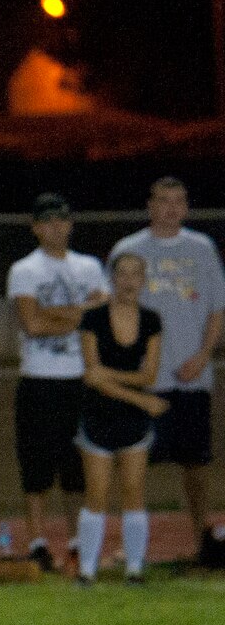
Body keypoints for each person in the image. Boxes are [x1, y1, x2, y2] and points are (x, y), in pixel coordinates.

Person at [111, 177, 225, 566]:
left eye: (179, 201)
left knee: (196, 464)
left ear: (187, 207)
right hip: (147, 381)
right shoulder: (129, 250)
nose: (172, 208)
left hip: (192, 378)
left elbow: (216, 310)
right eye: (164, 201)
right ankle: (133, 546)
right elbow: (118, 312)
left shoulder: (202, 249)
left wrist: (204, 355)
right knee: (135, 465)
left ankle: (202, 541)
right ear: (150, 205)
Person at [5, 193, 106, 570]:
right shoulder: (26, 270)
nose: (56, 228)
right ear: (36, 227)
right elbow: (32, 323)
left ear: (70, 224)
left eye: (61, 221)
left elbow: (100, 319)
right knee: (36, 463)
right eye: (47, 222)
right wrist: (81, 312)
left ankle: (80, 538)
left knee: (78, 463)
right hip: (40, 378)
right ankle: (37, 540)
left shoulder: (90, 267)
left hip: (81, 376)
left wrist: (58, 316)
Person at [76, 252, 168, 584]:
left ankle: (134, 568)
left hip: (133, 421)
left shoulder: (152, 320)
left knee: (133, 491)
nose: (129, 281)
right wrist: (142, 401)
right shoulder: (93, 319)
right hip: (99, 416)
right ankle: (87, 570)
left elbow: (150, 375)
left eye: (136, 275)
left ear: (143, 280)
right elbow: (91, 376)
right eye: (123, 274)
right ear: (112, 278)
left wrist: (111, 378)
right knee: (96, 493)